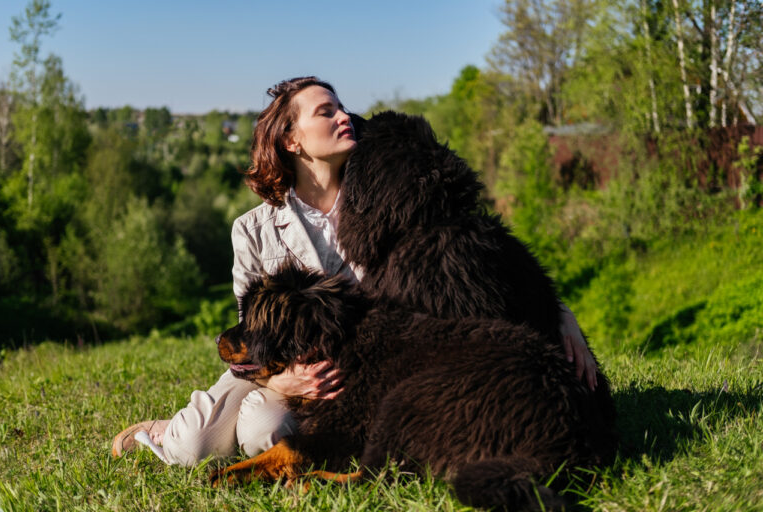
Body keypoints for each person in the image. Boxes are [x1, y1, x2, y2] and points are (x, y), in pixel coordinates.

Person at [111, 76, 598, 466]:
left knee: (264, 434)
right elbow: (251, 333)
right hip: (276, 365)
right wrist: (281, 381)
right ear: (292, 139)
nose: (344, 116)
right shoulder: (252, 230)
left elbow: (473, 259)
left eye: (341, 107)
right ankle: (163, 431)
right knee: (192, 447)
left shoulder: (382, 201)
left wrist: (559, 313)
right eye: (325, 112)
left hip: (351, 368)